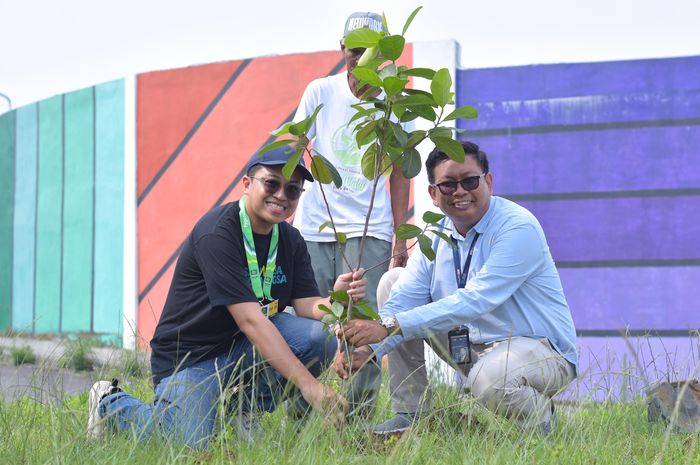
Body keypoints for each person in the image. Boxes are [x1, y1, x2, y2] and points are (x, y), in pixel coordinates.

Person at [87, 147, 366, 450]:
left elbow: (305, 303)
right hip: (191, 356)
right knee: (187, 445)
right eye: (271, 183)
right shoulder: (218, 232)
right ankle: (109, 403)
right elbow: (251, 320)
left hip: (243, 348)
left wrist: (336, 303)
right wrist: (310, 386)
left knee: (319, 338)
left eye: (293, 190)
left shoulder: (289, 239)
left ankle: (244, 409)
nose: (282, 195)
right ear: (247, 183)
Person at [336, 141, 578, 436]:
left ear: (488, 181)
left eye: (470, 181)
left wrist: (388, 326)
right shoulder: (436, 234)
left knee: (490, 379)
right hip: (471, 349)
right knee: (393, 282)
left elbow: (476, 300)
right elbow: (404, 302)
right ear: (433, 194)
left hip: (540, 351)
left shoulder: (517, 227)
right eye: (448, 185)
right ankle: (411, 413)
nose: (460, 191)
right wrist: (368, 350)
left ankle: (542, 426)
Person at [292, 11, 411, 313]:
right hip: (316, 226)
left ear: (384, 53)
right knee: (315, 315)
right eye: (354, 51)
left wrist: (400, 238)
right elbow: (294, 151)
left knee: (363, 319)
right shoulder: (320, 91)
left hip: (371, 230)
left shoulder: (396, 104)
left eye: (370, 51)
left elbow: (400, 173)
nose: (361, 60)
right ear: (342, 48)